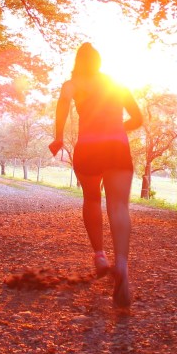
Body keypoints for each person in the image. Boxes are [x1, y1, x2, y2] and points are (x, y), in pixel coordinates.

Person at [49, 43, 143, 308]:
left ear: (78, 61)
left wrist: (57, 138)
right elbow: (138, 119)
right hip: (117, 147)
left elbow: (62, 111)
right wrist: (116, 128)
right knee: (119, 205)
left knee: (92, 199)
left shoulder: (71, 84)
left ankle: (100, 256)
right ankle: (122, 265)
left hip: (88, 148)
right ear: (99, 62)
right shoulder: (117, 84)